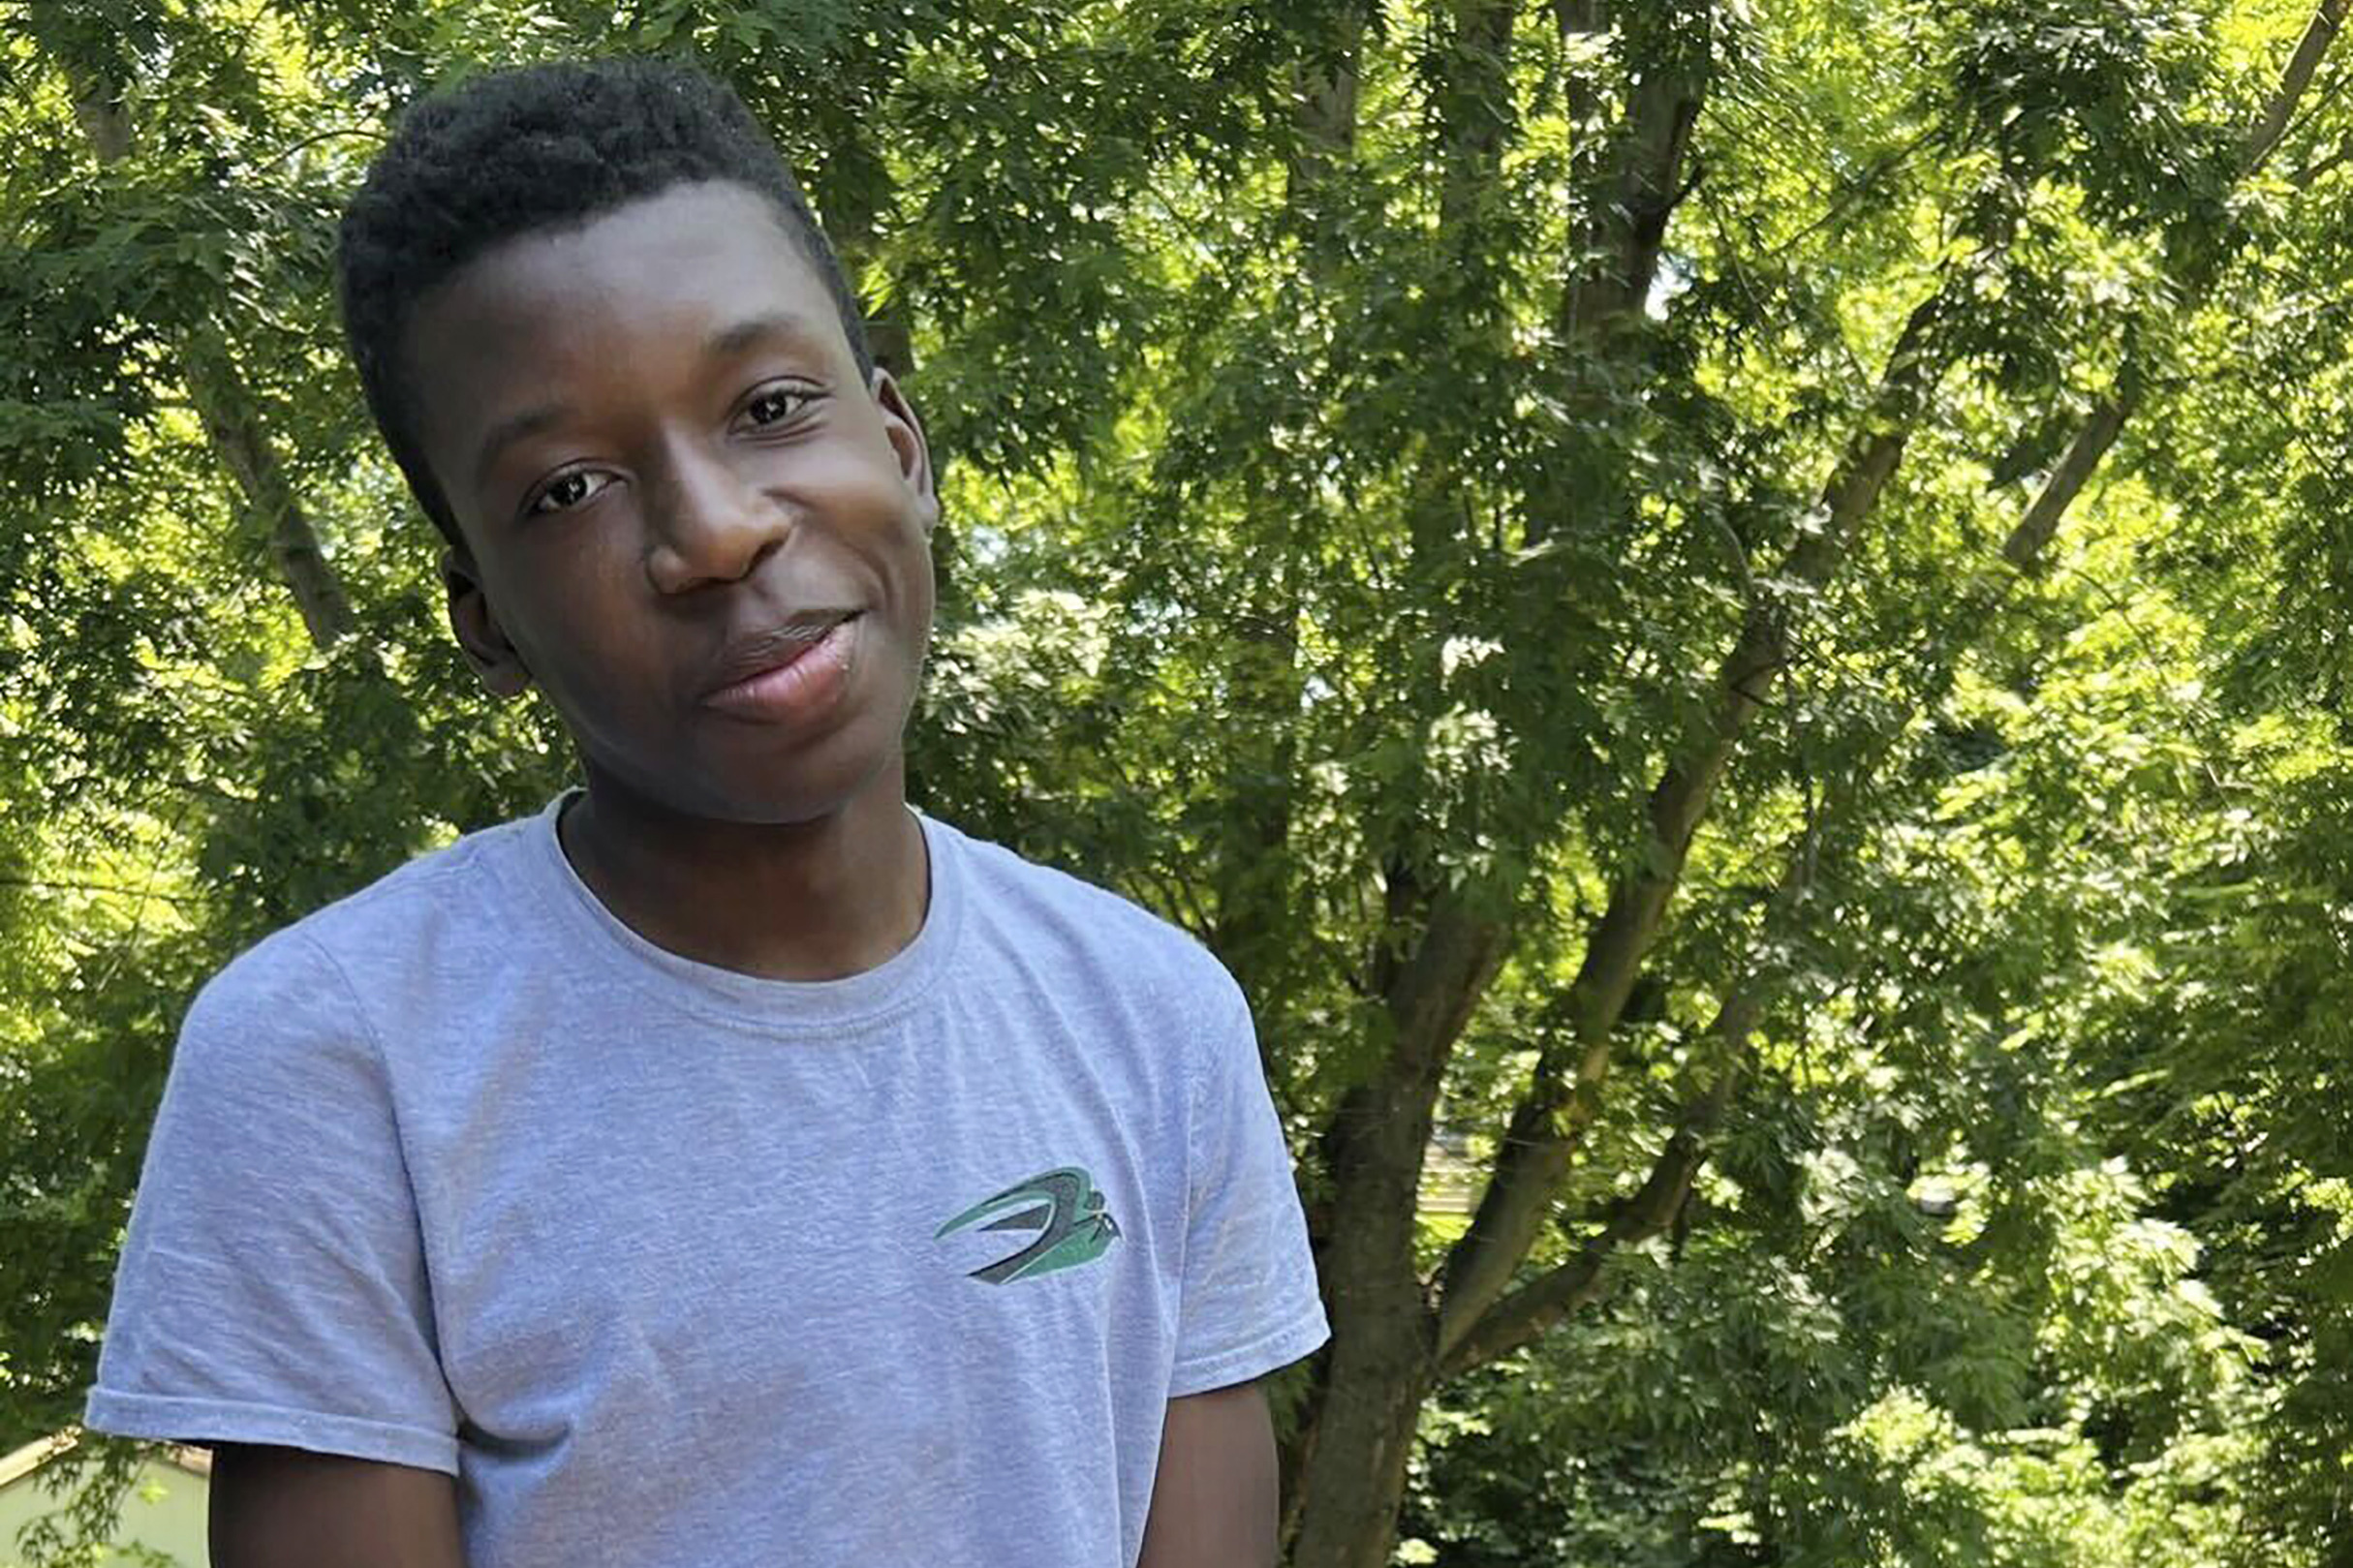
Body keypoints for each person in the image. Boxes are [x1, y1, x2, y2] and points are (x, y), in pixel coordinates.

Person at [81, 56, 1327, 1568]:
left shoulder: (1153, 1022)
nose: (716, 532)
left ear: (901, 447)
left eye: (770, 406)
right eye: (567, 490)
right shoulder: (337, 1065)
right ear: (484, 619)